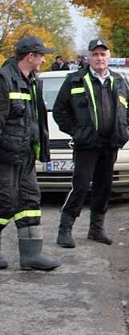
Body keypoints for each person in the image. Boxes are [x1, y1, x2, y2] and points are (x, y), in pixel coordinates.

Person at [54, 38, 129, 248]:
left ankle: (96, 229)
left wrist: (126, 131)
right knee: (80, 186)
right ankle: (65, 229)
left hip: (110, 144)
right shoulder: (75, 80)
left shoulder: (118, 81)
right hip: (86, 145)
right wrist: (77, 132)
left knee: (104, 187)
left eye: (103, 54)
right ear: (88, 57)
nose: (99, 58)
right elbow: (60, 111)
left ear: (109, 57)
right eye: (95, 54)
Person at [0, 35, 61, 271]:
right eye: (41, 55)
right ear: (30, 56)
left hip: (25, 155)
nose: (44, 60)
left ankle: (31, 255)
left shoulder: (32, 80)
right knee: (5, 203)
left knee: (30, 200)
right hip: (5, 157)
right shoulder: (4, 80)